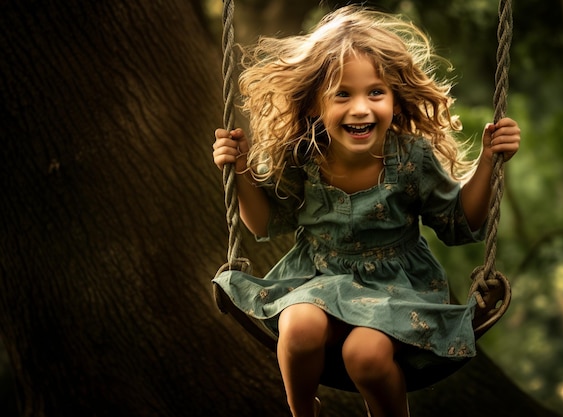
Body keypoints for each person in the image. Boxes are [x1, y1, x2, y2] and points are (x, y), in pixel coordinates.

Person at [212, 5, 521, 417]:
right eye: (343, 94)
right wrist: (239, 171)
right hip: (319, 278)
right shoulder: (303, 157)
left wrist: (488, 161)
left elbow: (459, 221)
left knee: (366, 356)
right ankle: (302, 409)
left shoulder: (411, 158)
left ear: (395, 98)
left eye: (375, 92)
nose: (361, 108)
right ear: (313, 106)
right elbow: (264, 221)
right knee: (299, 327)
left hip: (396, 289)